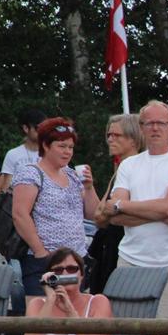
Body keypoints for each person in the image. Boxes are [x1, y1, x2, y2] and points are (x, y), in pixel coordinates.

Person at [99, 100, 168, 335]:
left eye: (161, 123)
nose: (155, 128)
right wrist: (163, 216)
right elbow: (114, 217)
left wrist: (123, 204)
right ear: (141, 127)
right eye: (149, 123)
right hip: (131, 260)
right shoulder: (128, 166)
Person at [10, 117, 98, 295]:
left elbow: (93, 214)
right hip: (45, 261)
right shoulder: (31, 173)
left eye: (71, 147)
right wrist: (40, 252)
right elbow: (20, 214)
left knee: (73, 316)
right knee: (42, 315)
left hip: (75, 261)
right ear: (46, 145)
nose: (67, 152)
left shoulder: (73, 175)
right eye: (62, 146)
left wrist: (89, 187)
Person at [89, 114, 144, 294]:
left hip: (124, 246)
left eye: (116, 135)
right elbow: (100, 213)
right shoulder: (121, 169)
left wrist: (111, 212)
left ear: (134, 139)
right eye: (109, 135)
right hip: (112, 245)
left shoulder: (135, 169)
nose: (110, 139)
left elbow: (108, 214)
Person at [0, 108, 45, 192]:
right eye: (38, 128)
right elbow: (6, 188)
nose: (42, 132)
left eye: (44, 128)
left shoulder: (51, 153)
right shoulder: (13, 154)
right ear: (26, 128)